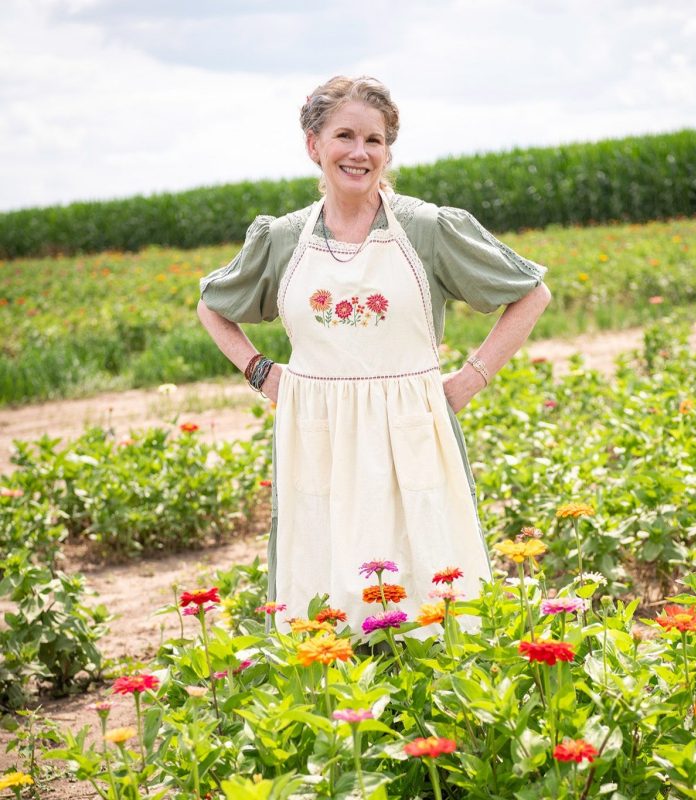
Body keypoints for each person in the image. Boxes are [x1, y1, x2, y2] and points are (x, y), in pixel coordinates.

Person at [197, 75, 551, 636]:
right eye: (345, 136)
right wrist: (262, 373)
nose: (360, 153)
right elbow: (212, 306)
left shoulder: (427, 229)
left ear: (388, 150)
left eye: (376, 140)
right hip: (317, 432)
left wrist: (470, 378)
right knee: (321, 577)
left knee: (432, 579)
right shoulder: (284, 239)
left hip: (410, 427)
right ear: (313, 144)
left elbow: (532, 292)